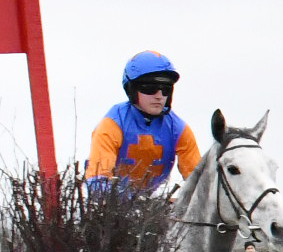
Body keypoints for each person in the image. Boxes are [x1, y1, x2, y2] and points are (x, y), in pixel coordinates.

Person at [85, 51, 203, 194]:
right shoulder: (112, 124)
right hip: (108, 202)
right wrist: (131, 202)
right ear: (132, 89)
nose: (159, 96)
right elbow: (97, 182)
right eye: (150, 88)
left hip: (152, 201)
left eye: (166, 89)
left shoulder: (179, 129)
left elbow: (200, 184)